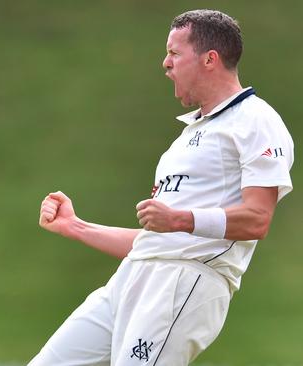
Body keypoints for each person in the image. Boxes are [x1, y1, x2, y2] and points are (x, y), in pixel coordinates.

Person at [29, 9, 293, 366]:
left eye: (174, 53)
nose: (165, 63)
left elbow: (257, 219)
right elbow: (157, 240)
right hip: (131, 278)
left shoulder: (256, 121)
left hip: (185, 284)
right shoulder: (187, 137)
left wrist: (180, 219)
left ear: (209, 59)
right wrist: (76, 227)